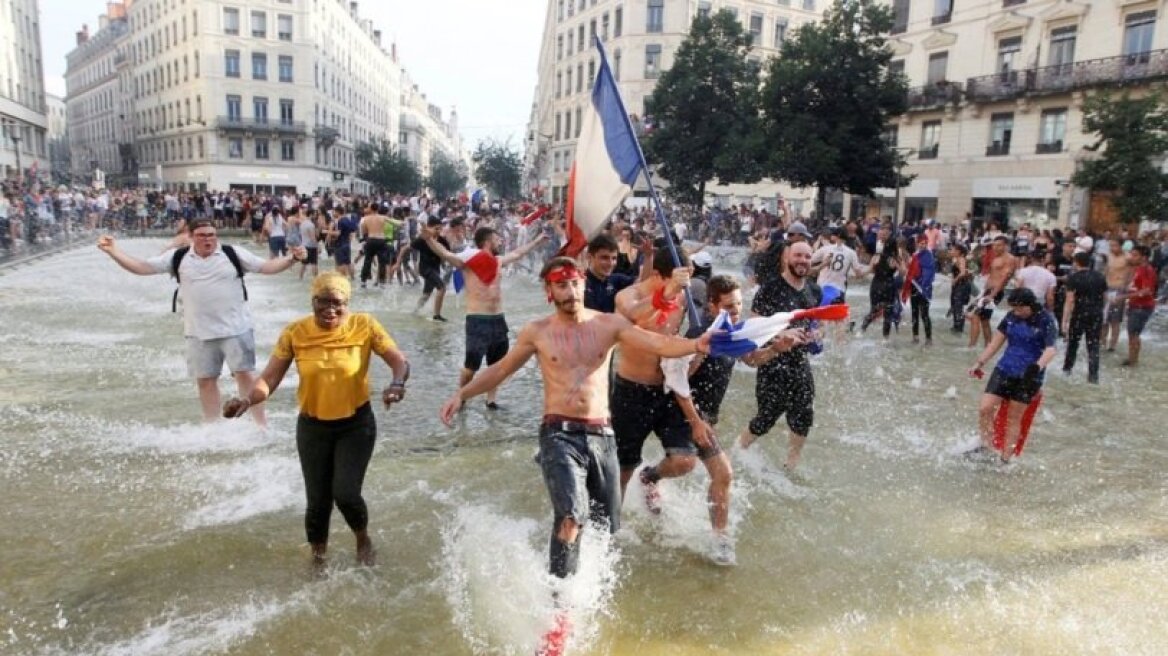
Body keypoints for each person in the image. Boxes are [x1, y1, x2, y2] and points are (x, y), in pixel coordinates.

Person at [437, 257, 714, 579]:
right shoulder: (537, 331)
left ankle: (588, 585)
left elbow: (658, 343)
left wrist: (697, 343)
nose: (569, 291)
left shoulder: (609, 324)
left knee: (605, 527)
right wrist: (462, 394)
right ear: (548, 291)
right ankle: (561, 605)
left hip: (602, 435)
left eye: (573, 283)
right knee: (571, 515)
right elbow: (501, 369)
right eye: (560, 285)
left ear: (582, 283)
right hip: (559, 433)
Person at [223, 273, 410, 569]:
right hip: (313, 427)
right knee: (317, 502)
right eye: (323, 302)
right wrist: (247, 400)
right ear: (312, 301)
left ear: (347, 304)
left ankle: (362, 538)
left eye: (338, 303)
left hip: (355, 425)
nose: (330, 309)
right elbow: (269, 378)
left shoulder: (365, 325)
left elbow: (399, 360)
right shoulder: (295, 333)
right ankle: (318, 558)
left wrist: (397, 384)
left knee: (346, 494)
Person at [96, 219, 306, 424]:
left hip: (236, 329)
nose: (208, 239)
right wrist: (114, 251)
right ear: (190, 237)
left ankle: (259, 424)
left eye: (211, 235)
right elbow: (141, 268)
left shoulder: (232, 253)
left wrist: (291, 259)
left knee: (245, 377)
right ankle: (212, 427)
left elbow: (266, 267)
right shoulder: (178, 257)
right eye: (202, 235)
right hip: (198, 332)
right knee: (205, 381)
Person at [613, 247, 734, 563]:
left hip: (667, 391)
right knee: (624, 467)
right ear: (658, 275)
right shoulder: (629, 295)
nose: (686, 284)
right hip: (630, 392)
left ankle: (651, 477)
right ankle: (610, 531)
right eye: (681, 278)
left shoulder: (685, 296)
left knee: (684, 460)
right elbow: (633, 320)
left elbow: (716, 313)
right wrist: (666, 292)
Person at [423, 225, 547, 409]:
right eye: (497, 239)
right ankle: (461, 396)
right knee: (470, 366)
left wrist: (537, 241)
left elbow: (518, 253)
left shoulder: (497, 261)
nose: (501, 242)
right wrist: (429, 240)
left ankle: (491, 400)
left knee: (497, 365)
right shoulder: (469, 260)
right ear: (488, 241)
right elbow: (447, 255)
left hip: (498, 319)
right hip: (477, 319)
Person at [737, 241, 821, 471]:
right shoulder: (770, 288)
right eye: (798, 255)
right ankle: (736, 452)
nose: (802, 260)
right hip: (772, 363)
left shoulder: (814, 290)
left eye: (807, 256)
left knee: (804, 415)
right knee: (766, 418)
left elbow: (816, 323)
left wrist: (815, 334)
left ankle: (790, 466)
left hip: (800, 363)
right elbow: (754, 326)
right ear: (787, 258)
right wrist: (781, 334)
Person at [968, 288, 1057, 463]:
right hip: (1004, 369)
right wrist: (979, 362)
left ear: (1028, 306)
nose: (1014, 312)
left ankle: (1005, 460)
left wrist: (1037, 367)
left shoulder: (1045, 320)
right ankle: (986, 448)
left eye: (1017, 309)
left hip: (1029, 376)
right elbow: (995, 343)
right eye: (1013, 308)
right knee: (985, 408)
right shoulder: (1010, 317)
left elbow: (1051, 349)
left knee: (1013, 419)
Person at [1061, 252, 1106, 383]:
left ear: (1076, 262)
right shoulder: (1100, 277)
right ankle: (1093, 376)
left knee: (1073, 343)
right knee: (1093, 345)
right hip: (1096, 314)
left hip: (1079, 313)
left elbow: (1069, 300)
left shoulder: (1074, 278)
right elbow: (1103, 296)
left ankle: (1067, 370)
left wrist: (1064, 321)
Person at [967, 235, 1015, 348]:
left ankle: (971, 346)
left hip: (995, 292)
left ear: (1005, 246)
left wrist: (992, 295)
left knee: (975, 316)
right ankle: (988, 345)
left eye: (999, 245)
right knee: (984, 320)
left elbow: (1004, 278)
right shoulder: (996, 258)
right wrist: (983, 293)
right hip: (987, 291)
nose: (995, 247)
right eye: (994, 245)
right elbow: (991, 277)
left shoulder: (1009, 259)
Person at [401, 216, 450, 321]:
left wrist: (444, 264)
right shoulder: (422, 240)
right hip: (424, 268)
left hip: (435, 269)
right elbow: (405, 248)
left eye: (440, 229)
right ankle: (437, 315)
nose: (438, 231)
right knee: (442, 287)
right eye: (436, 228)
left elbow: (447, 255)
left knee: (427, 294)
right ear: (428, 228)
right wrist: (397, 263)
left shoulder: (442, 240)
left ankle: (415, 311)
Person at [1119, 245, 1157, 367]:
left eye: (1135, 255)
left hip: (1142, 307)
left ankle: (1133, 361)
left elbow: (1147, 291)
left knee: (1134, 334)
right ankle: (1132, 359)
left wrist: (1123, 297)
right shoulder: (1139, 268)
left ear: (1144, 257)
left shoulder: (1147, 270)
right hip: (1137, 305)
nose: (1132, 257)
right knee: (1133, 333)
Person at [582, 233, 637, 313]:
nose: (610, 263)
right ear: (590, 257)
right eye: (604, 258)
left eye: (614, 258)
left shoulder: (616, 280)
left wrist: (648, 257)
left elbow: (641, 284)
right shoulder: (580, 285)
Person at [811, 227, 868, 303]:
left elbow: (810, 260)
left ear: (837, 236)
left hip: (822, 287)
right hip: (839, 290)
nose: (830, 235)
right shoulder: (851, 252)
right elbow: (859, 274)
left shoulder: (825, 248)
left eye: (833, 234)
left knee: (819, 312)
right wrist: (870, 268)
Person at [901, 234, 936, 345]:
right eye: (921, 243)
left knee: (925, 314)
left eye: (925, 243)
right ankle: (915, 337)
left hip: (924, 289)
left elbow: (929, 273)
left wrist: (922, 283)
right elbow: (910, 270)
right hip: (914, 287)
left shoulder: (929, 256)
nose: (923, 245)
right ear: (917, 243)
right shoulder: (915, 256)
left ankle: (928, 338)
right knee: (914, 313)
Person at [1101, 239, 1133, 353]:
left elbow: (1132, 271)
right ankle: (1102, 342)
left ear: (1121, 246)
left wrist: (1127, 285)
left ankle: (1113, 345)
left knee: (1115, 319)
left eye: (1114, 245)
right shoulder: (1109, 256)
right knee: (1104, 318)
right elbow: (1106, 271)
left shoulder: (1128, 257)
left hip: (1119, 289)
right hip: (1107, 287)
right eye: (1111, 245)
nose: (1112, 248)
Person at [948, 243, 974, 333]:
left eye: (952, 250)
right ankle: (956, 326)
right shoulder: (957, 259)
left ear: (958, 251)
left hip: (961, 286)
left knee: (958, 306)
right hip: (958, 285)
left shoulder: (961, 259)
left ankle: (959, 328)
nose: (950, 251)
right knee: (955, 305)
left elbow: (962, 273)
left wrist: (955, 280)